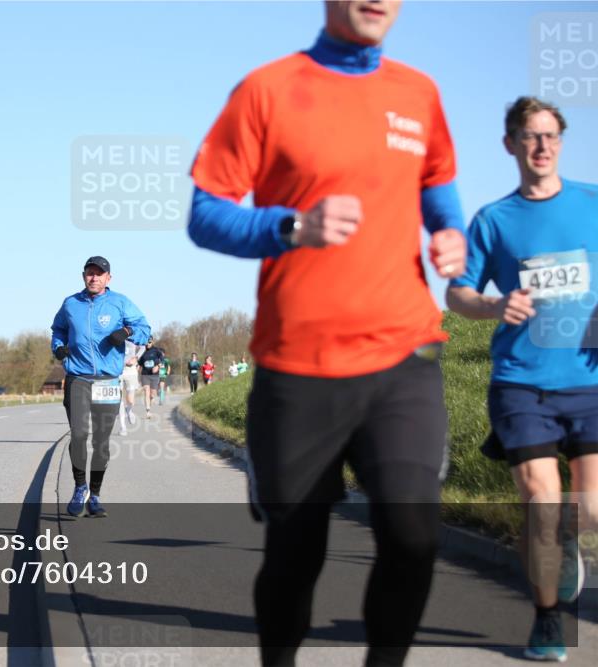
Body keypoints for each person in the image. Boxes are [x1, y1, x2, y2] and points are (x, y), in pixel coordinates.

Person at [187, 2, 468, 665]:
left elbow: (438, 183)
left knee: (413, 533)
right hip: (298, 367)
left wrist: (449, 232)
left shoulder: (418, 92)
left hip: (403, 354)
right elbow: (205, 213)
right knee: (295, 551)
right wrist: (290, 226)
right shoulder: (268, 89)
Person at [446, 96, 598, 663]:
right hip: (521, 382)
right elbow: (457, 293)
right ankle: (547, 618)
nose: (542, 146)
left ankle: (569, 539)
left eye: (551, 135)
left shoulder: (591, 203)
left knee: (589, 510)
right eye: (531, 136)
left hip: (588, 378)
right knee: (541, 501)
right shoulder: (495, 219)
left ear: (561, 142)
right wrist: (493, 305)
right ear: (510, 144)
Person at [51, 256, 150, 518]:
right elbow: (58, 329)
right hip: (78, 378)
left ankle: (95, 495)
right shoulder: (71, 303)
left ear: (108, 278)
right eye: (89, 273)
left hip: (107, 380)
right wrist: (58, 348)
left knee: (101, 441)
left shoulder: (120, 302)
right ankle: (79, 488)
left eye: (99, 273)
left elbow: (144, 328)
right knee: (79, 434)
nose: (94, 277)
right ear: (83, 276)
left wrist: (126, 332)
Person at [119, 339, 144, 436]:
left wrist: (136, 358)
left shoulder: (133, 336)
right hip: (118, 370)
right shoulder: (114, 333)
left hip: (131, 370)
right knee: (119, 400)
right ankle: (123, 427)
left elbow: (142, 347)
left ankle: (129, 410)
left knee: (130, 400)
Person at [138, 337, 165, 418]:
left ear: (152, 342)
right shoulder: (142, 351)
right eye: (146, 342)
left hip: (154, 375)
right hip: (145, 375)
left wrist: (158, 366)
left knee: (152, 394)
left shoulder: (156, 350)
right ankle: (148, 411)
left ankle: (152, 399)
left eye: (149, 342)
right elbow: (139, 364)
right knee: (146, 391)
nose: (148, 344)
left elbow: (162, 360)